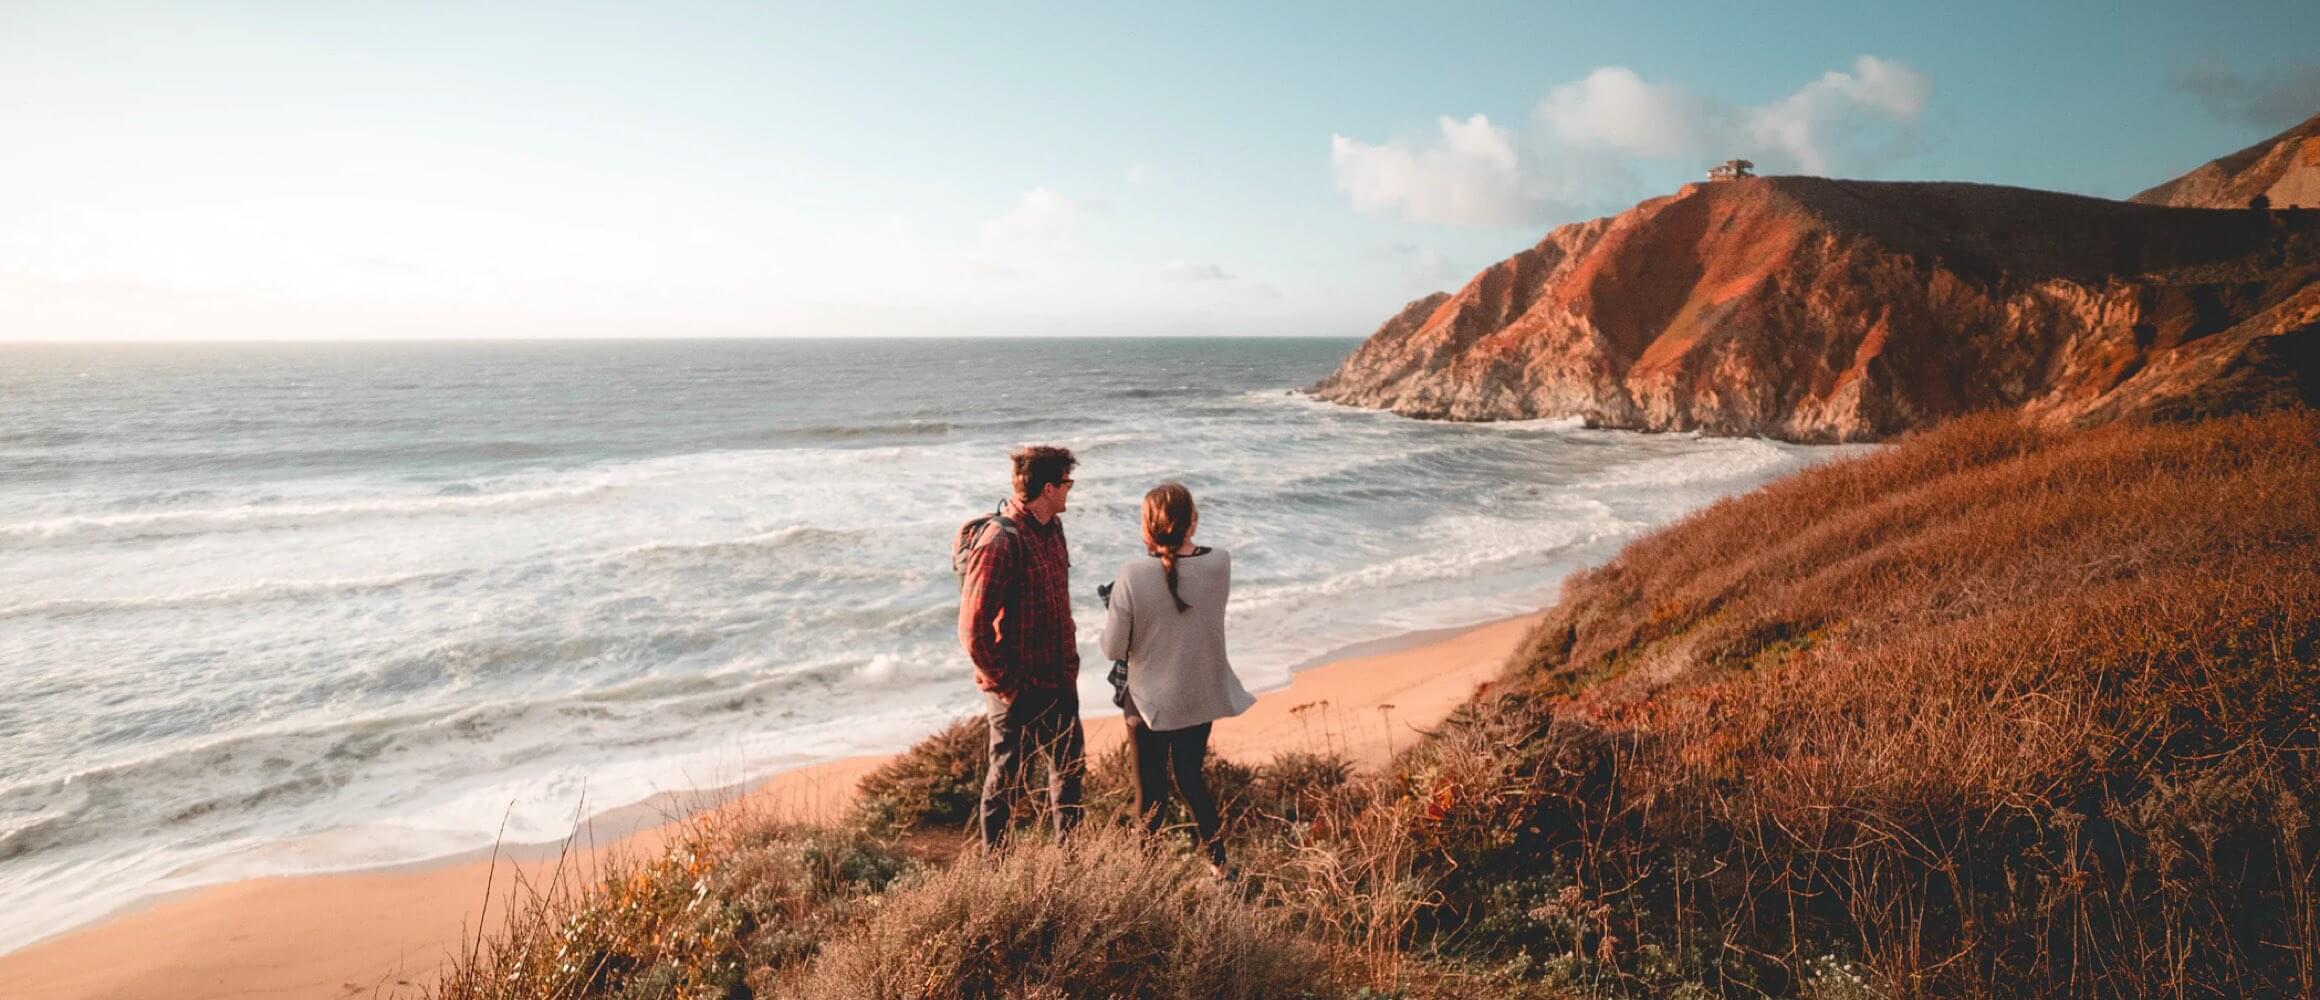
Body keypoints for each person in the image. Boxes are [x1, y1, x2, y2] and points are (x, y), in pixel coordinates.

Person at [1100, 482, 1255, 874]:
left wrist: (1116, 604)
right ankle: (1221, 866)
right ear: (1193, 521)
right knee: (1191, 781)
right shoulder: (1220, 562)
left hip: (1149, 703)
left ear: (1147, 528)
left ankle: (1146, 876)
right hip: (1199, 696)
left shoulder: (1132, 575)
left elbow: (1113, 649)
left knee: (1150, 794)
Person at [958, 444, 1084, 851]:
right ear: (1048, 488)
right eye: (1067, 482)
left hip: (1058, 679)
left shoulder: (1053, 528)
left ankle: (1073, 864)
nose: (1070, 490)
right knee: (1006, 784)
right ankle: (995, 869)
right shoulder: (999, 541)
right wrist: (1007, 686)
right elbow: (972, 629)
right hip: (1018, 688)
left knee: (1069, 775)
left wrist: (1069, 663)